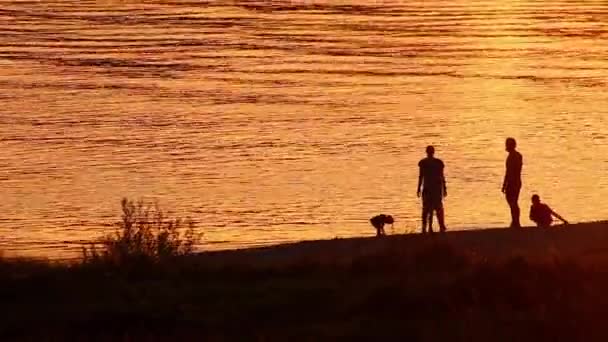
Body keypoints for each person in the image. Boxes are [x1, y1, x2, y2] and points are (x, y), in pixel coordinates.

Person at [417, 145, 447, 233]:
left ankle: (425, 227)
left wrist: (418, 188)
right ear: (433, 152)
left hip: (429, 188)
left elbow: (421, 176)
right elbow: (442, 176)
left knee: (426, 208)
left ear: (426, 152)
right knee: (438, 207)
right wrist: (444, 188)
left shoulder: (424, 162)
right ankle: (440, 226)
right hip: (435, 188)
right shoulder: (438, 162)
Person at [502, 137, 523, 228]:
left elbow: (509, 172)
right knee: (514, 202)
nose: (506, 146)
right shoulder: (518, 155)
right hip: (517, 182)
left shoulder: (512, 157)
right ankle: (515, 221)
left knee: (512, 202)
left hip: (513, 182)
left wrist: (505, 184)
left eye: (507, 144)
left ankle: (515, 222)